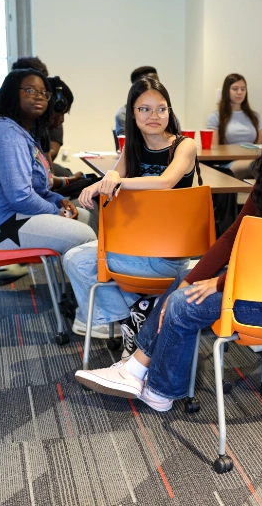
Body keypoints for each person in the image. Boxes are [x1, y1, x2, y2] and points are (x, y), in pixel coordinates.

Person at [74, 90, 262, 411]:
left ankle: (156, 388)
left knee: (185, 303)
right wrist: (192, 279)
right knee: (185, 280)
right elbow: (232, 236)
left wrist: (220, 283)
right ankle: (135, 371)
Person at [65, 76, 197, 346]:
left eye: (161, 108)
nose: (154, 115)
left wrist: (115, 181)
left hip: (168, 251)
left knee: (93, 258)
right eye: (144, 109)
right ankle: (133, 317)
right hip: (135, 245)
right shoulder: (133, 147)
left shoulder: (184, 146)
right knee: (74, 259)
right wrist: (107, 179)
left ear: (169, 112)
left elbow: (165, 182)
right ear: (132, 113)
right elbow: (115, 172)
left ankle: (138, 313)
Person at [0, 69, 96, 259]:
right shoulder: (6, 135)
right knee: (84, 234)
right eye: (29, 90)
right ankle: (91, 287)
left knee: (87, 218)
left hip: (4, 216)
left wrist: (57, 200)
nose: (38, 96)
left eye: (43, 93)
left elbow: (36, 186)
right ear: (12, 94)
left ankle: (81, 283)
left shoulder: (18, 132)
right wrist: (56, 211)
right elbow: (20, 197)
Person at [206, 73, 262, 179]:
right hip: (229, 163)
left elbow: (260, 144)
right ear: (226, 91)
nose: (239, 92)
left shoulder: (254, 116)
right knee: (259, 166)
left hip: (254, 159)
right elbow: (214, 148)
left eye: (243, 89)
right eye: (235, 89)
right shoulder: (216, 117)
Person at [114, 66, 159, 136]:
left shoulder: (165, 112)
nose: (153, 88)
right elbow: (127, 144)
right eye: (146, 85)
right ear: (134, 88)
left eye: (156, 84)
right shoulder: (124, 114)